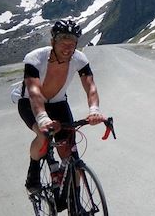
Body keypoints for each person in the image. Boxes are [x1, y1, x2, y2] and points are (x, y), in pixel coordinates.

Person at [12, 19, 106, 194]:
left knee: (71, 157)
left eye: (72, 42)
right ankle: (34, 169)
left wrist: (94, 110)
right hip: (29, 102)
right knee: (43, 134)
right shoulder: (35, 59)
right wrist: (42, 119)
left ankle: (75, 203)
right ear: (53, 41)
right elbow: (34, 92)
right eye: (63, 40)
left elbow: (90, 86)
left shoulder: (79, 59)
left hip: (58, 103)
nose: (68, 46)